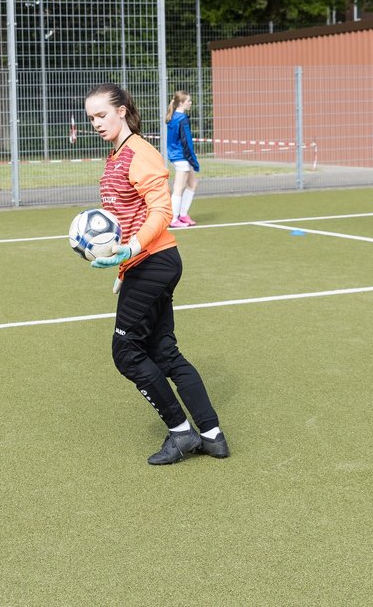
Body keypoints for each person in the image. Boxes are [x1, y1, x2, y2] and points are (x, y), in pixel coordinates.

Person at [84, 82, 228, 465]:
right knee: (164, 352)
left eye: (101, 115)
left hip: (155, 261)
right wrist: (124, 267)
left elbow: (161, 211)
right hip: (145, 264)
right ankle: (212, 436)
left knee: (126, 353)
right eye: (91, 118)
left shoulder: (140, 153)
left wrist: (132, 250)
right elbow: (124, 219)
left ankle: (181, 433)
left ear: (122, 110)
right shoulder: (115, 155)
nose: (96, 123)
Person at [165, 90, 201, 228]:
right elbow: (187, 142)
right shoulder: (182, 119)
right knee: (179, 188)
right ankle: (173, 219)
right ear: (181, 103)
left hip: (179, 156)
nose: (190, 103)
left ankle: (183, 214)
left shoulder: (173, 117)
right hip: (181, 157)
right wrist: (193, 160)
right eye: (188, 101)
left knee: (193, 184)